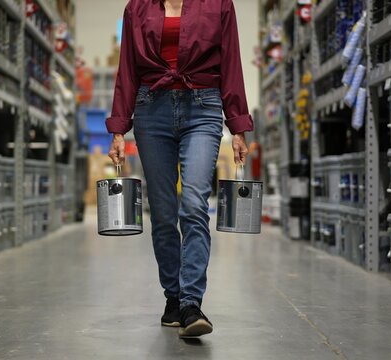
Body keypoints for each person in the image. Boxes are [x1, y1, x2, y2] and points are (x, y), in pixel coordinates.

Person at [106, 0, 253, 338]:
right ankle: (172, 297)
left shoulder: (218, 5)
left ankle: (191, 302)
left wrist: (238, 126)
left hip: (203, 108)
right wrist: (118, 128)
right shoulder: (137, 8)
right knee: (161, 211)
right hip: (150, 109)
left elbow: (231, 64)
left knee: (194, 204)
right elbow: (127, 70)